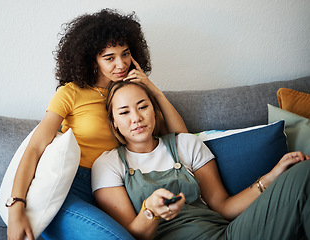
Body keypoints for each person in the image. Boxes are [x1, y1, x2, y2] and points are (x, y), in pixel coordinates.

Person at [6, 8, 188, 240]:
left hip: (114, 186)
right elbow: (36, 147)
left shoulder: (132, 96)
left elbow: (182, 139)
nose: (121, 64)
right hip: (68, 187)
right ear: (92, 59)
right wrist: (16, 205)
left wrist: (154, 91)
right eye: (109, 58)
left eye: (125, 54)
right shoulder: (70, 93)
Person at [92, 80, 310, 240]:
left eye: (142, 106)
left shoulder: (185, 144)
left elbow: (224, 207)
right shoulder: (109, 165)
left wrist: (272, 177)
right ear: (114, 122)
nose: (136, 118)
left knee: (304, 172)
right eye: (124, 112)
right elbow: (131, 237)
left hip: (226, 234)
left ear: (155, 110)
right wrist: (151, 211)